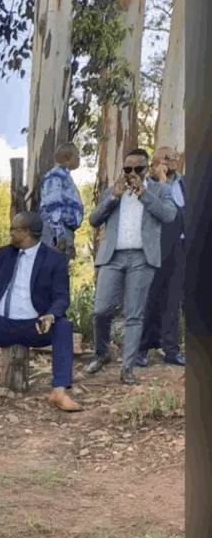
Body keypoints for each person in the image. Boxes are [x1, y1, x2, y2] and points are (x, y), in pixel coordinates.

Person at [0, 211, 82, 415]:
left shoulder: (54, 259)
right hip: (2, 323)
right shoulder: (4, 254)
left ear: (26, 232)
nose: (10, 232)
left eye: (14, 229)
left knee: (63, 326)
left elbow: (62, 297)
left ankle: (59, 391)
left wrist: (51, 315)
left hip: (36, 325)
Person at [85, 148, 177, 384]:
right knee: (101, 310)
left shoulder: (161, 190)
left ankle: (127, 368)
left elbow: (169, 215)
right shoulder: (113, 190)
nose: (132, 172)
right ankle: (102, 353)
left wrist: (143, 193)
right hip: (112, 256)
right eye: (128, 168)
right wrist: (113, 198)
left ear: (147, 169)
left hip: (142, 258)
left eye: (138, 168)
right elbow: (94, 220)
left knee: (134, 314)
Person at [137, 146, 186, 367]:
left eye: (174, 156)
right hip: (156, 247)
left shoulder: (184, 183)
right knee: (152, 298)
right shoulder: (149, 186)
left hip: (181, 248)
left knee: (173, 301)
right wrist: (162, 181)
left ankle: (171, 350)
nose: (172, 160)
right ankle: (142, 348)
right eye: (167, 157)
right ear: (156, 163)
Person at [38, 142, 84, 259]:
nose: (79, 158)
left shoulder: (64, 176)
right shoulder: (56, 175)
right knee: (52, 265)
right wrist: (60, 232)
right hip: (55, 231)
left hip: (64, 229)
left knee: (60, 266)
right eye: (77, 155)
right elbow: (52, 203)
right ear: (68, 156)